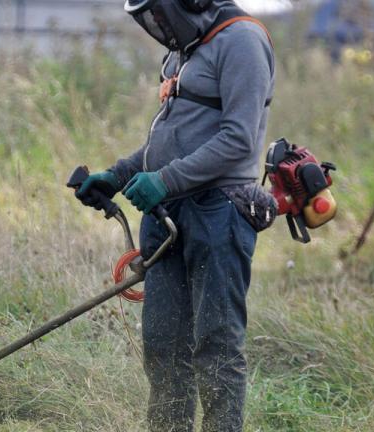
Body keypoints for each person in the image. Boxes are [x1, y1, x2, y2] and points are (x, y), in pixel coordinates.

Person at [75, 1, 275, 431]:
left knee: (217, 346)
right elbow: (174, 136)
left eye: (161, 12)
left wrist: (164, 180)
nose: (158, 24)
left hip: (219, 212)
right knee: (164, 345)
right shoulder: (185, 50)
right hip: (168, 215)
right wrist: (118, 175)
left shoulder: (243, 41)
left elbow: (239, 140)